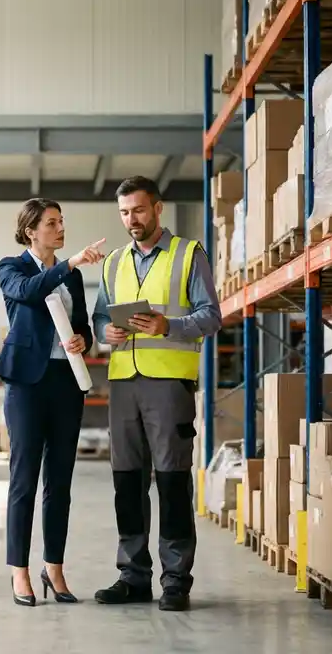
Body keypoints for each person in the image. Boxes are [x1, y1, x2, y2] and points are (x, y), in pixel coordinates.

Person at [91, 176, 222, 612]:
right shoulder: (112, 263)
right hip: (123, 382)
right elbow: (98, 317)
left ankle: (175, 581)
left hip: (169, 384)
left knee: (171, 482)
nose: (132, 220)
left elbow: (211, 315)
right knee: (126, 484)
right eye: (125, 212)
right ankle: (133, 577)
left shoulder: (188, 254)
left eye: (139, 211)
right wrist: (103, 332)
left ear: (158, 208)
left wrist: (170, 326)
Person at [0, 198, 107, 607]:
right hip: (27, 384)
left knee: (59, 482)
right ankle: (19, 572)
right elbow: (27, 292)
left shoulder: (71, 277)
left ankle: (53, 568)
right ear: (31, 231)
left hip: (66, 382)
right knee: (24, 480)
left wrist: (84, 341)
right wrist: (70, 263)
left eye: (62, 222)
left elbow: (82, 328)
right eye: (52, 223)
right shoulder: (12, 267)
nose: (60, 228)